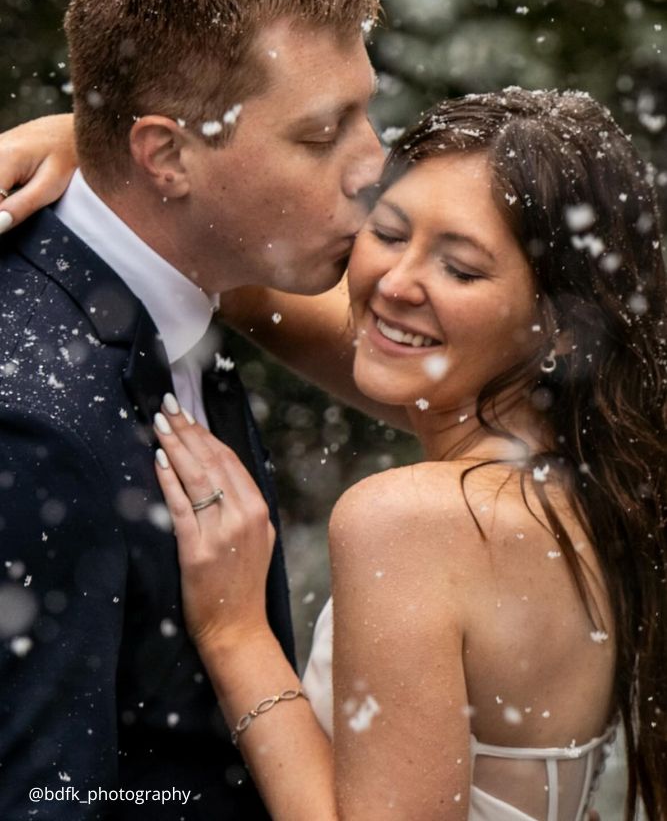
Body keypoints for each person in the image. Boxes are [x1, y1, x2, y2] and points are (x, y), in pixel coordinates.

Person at [145, 88, 666, 820]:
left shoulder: (417, 521)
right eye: (388, 233)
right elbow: (248, 287)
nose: (394, 285)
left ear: (559, 328)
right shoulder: (595, 471)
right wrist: (105, 155)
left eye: (459, 270)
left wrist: (233, 632)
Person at [0, 0, 388, 820]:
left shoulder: (179, 284)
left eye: (365, 114)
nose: (373, 163)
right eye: (320, 132)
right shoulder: (34, 421)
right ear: (165, 158)